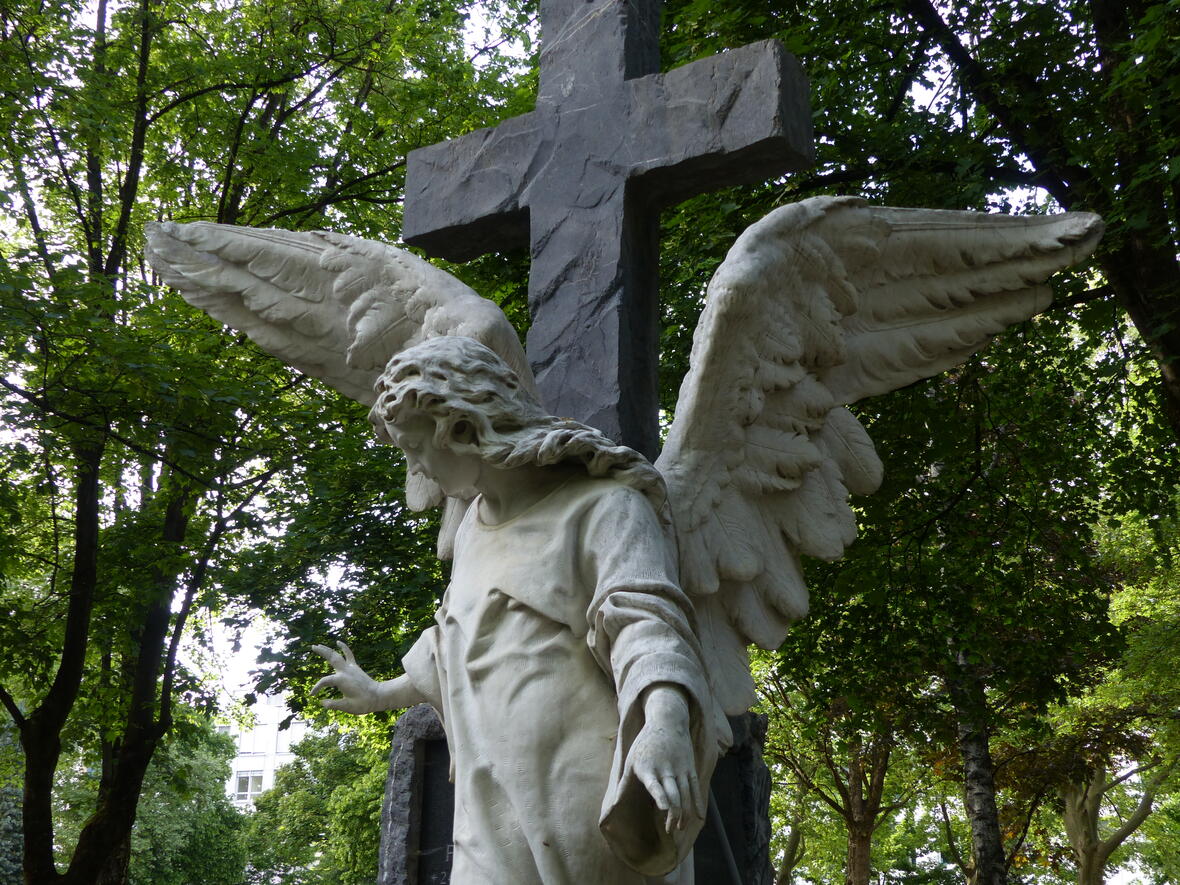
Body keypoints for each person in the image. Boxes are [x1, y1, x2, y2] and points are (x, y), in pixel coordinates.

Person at [312, 336, 728, 885]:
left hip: (578, 789)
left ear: (463, 429)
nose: (416, 469)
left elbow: (648, 623)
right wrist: (382, 693)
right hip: (487, 793)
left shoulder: (605, 507)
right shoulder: (471, 527)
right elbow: (462, 640)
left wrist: (665, 724)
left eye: (415, 448)